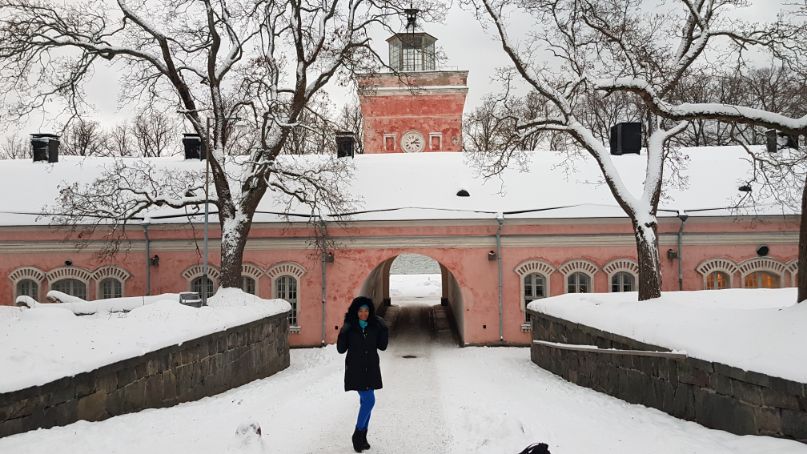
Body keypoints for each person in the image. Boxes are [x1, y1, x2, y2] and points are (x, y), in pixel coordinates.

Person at [337, 296, 389, 453]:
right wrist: (343, 332)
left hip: (371, 368)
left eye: (366, 310)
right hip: (355, 369)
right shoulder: (350, 327)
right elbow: (341, 349)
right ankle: (357, 433)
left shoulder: (374, 326)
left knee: (365, 402)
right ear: (355, 311)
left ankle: (363, 436)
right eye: (360, 310)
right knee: (369, 401)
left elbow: (382, 346)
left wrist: (384, 329)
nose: (363, 313)